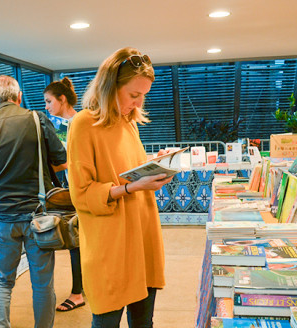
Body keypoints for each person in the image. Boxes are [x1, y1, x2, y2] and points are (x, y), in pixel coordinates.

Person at [67, 47, 173, 328]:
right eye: (133, 95)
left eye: (143, 96)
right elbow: (81, 194)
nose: (138, 104)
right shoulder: (83, 125)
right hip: (110, 243)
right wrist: (129, 188)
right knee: (107, 320)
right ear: (109, 87)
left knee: (143, 322)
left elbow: (128, 171)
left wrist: (155, 169)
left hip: (142, 234)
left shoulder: (129, 124)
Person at [0, 75, 67, 328]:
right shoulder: (36, 120)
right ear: (19, 96)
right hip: (38, 217)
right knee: (42, 282)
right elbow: (61, 159)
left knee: (1, 280)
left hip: (2, 217)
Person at [43, 78, 85, 312]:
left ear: (62, 99)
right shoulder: (65, 125)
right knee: (77, 240)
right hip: (73, 189)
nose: (47, 106)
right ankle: (81, 288)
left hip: (81, 190)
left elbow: (73, 160)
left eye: (49, 101)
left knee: (75, 241)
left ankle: (77, 293)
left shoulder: (79, 123)